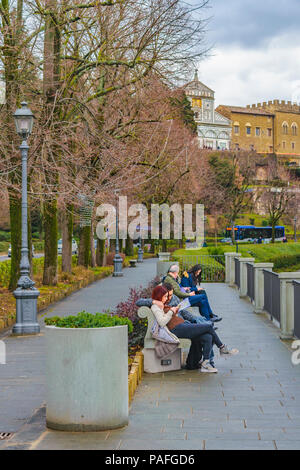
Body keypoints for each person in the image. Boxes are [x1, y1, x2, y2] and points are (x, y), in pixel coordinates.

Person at [150, 285, 238, 373]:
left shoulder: (162, 304)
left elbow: (171, 316)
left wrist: (174, 311)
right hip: (176, 329)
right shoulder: (155, 306)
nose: (167, 298)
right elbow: (162, 321)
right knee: (208, 327)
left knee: (207, 336)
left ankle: (205, 363)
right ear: (159, 295)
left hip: (182, 325)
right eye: (165, 296)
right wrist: (170, 311)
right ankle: (222, 348)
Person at [136, 282, 216, 367]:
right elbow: (139, 302)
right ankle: (212, 356)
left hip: (183, 323)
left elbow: (183, 311)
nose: (169, 298)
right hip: (175, 328)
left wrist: (194, 319)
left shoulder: (174, 298)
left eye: (171, 295)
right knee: (207, 329)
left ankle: (194, 363)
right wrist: (153, 301)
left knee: (206, 333)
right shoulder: (159, 301)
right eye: (167, 295)